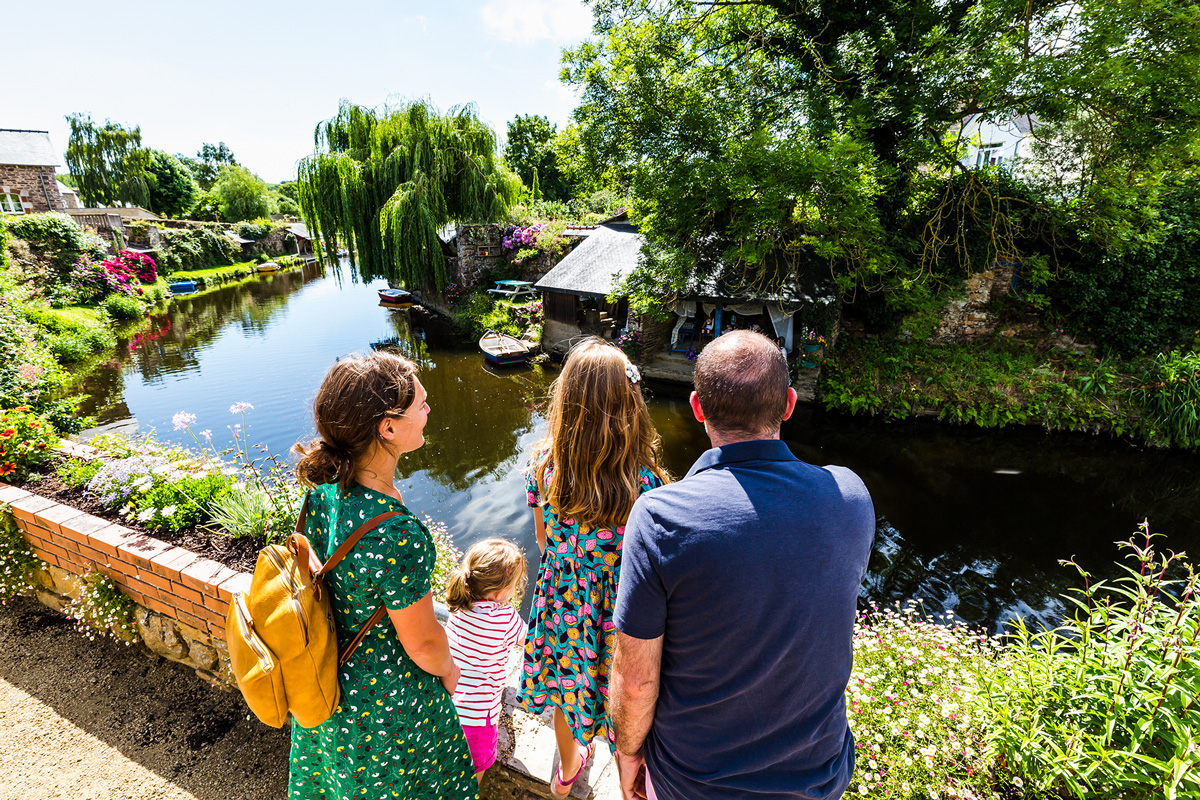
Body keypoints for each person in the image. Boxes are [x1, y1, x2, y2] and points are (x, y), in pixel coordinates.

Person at [611, 330, 875, 800]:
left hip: (693, 783)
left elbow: (635, 681)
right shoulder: (850, 497)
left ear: (697, 407)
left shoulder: (659, 518)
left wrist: (628, 755)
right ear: (789, 404)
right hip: (816, 776)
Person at [288, 351, 478, 800]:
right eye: (421, 404)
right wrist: (450, 672)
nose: (430, 410)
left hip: (329, 689)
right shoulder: (396, 534)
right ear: (387, 427)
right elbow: (424, 643)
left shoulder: (326, 491)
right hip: (387, 709)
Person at [519, 337, 669, 798]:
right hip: (620, 609)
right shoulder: (646, 482)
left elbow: (545, 542)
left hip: (563, 601)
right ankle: (628, 773)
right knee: (627, 692)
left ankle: (566, 770)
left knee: (567, 691)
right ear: (629, 402)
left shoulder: (544, 466)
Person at [444, 538, 529, 783]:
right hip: (479, 718)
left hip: (448, 707)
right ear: (500, 592)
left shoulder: (458, 605)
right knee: (473, 776)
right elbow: (529, 641)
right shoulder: (505, 618)